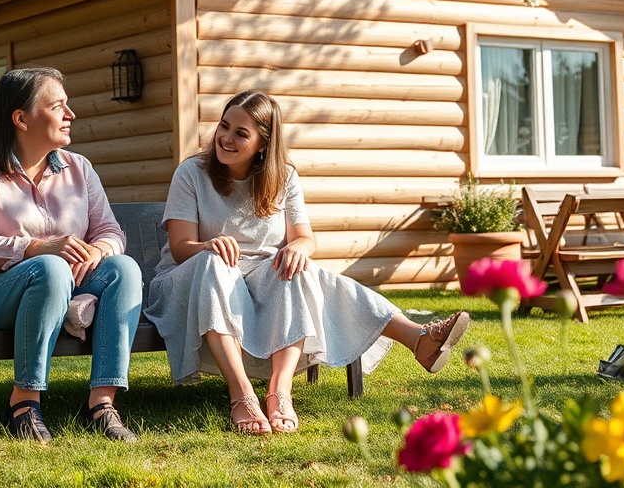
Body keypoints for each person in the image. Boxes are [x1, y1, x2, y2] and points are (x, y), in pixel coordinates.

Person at [145, 90, 470, 435]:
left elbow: (304, 238)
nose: (226, 138)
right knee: (215, 265)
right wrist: (208, 245)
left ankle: (279, 393)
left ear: (263, 144)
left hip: (257, 279)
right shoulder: (192, 173)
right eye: (224, 126)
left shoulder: (283, 177)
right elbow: (180, 248)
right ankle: (241, 395)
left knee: (298, 268)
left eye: (241, 133)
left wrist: (298, 248)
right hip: (192, 278)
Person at [0, 67, 142, 443]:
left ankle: (101, 404)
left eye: (67, 105)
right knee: (51, 268)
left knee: (124, 268)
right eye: (57, 107)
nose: (70, 114)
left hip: (64, 283)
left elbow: (110, 232)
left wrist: (98, 250)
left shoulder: (79, 167)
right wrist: (36, 248)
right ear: (21, 119)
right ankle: (24, 402)